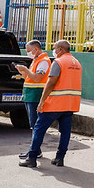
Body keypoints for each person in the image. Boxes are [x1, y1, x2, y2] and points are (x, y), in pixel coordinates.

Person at [19, 40, 82, 168]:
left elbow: (51, 83)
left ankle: (32, 158)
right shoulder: (77, 63)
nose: (54, 51)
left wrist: (42, 101)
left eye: (55, 48)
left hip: (54, 104)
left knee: (38, 129)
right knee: (65, 132)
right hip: (70, 104)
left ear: (60, 49)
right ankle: (60, 158)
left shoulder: (58, 62)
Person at [14, 40, 50, 134]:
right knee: (33, 124)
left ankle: (35, 147)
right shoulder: (36, 60)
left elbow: (38, 78)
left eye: (29, 51)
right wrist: (23, 72)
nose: (28, 53)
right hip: (30, 95)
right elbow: (29, 77)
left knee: (35, 124)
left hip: (36, 95)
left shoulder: (43, 61)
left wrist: (25, 69)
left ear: (36, 49)